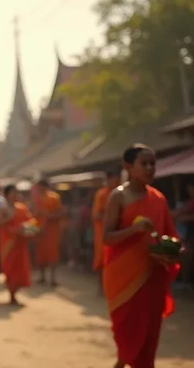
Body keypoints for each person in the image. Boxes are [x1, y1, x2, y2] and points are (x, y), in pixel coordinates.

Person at [103, 144, 180, 368]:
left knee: (148, 338)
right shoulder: (118, 197)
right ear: (128, 166)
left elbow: (169, 238)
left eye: (152, 164)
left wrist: (171, 253)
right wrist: (133, 231)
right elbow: (106, 238)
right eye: (143, 163)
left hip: (152, 275)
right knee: (127, 335)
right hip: (123, 277)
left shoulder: (158, 199)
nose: (149, 168)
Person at [0, 185, 34, 305]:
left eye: (15, 193)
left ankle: (15, 291)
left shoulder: (22, 208)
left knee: (21, 268)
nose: (14, 195)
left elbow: (30, 221)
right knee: (10, 269)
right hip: (8, 243)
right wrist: (9, 219)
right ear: (6, 195)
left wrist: (27, 228)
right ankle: (11, 294)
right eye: (12, 193)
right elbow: (0, 224)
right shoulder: (3, 209)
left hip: (20, 242)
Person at [92, 170, 121, 292]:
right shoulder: (102, 194)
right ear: (108, 179)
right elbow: (97, 214)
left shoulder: (122, 193)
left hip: (119, 232)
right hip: (103, 231)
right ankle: (101, 286)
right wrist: (110, 219)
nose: (116, 181)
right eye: (114, 178)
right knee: (102, 259)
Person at [34, 179, 65, 286]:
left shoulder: (54, 198)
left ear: (45, 186)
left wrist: (48, 216)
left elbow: (60, 213)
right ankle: (42, 276)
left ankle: (53, 278)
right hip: (39, 230)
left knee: (53, 253)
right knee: (40, 253)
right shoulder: (36, 199)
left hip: (52, 230)